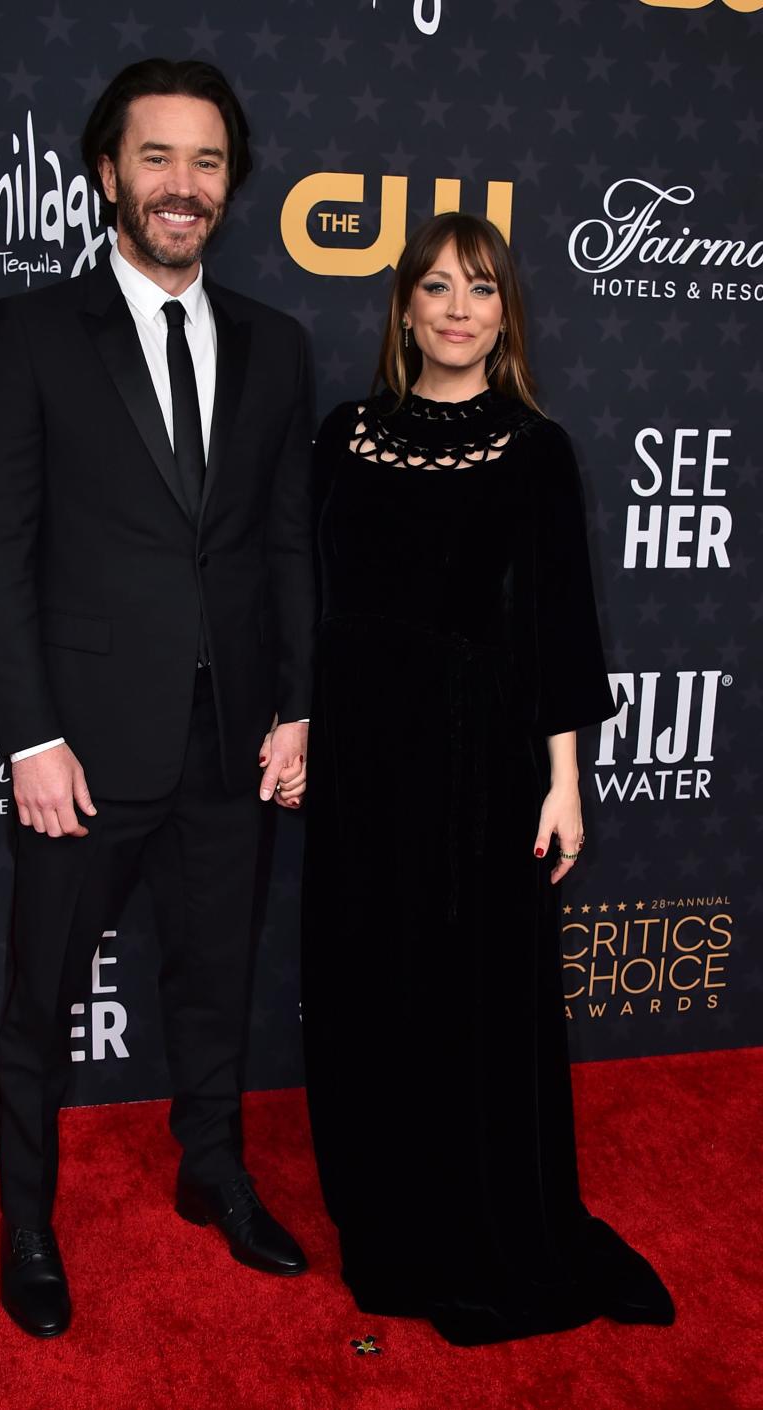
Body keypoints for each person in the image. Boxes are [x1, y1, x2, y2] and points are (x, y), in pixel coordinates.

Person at [0, 58, 314, 1339]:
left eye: (208, 161)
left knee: (216, 981)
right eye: (156, 158)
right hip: (85, 749)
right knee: (40, 995)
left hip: (234, 744)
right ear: (106, 173)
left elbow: (284, 545)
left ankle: (212, 1176)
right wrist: (32, 735)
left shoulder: (276, 345)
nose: (183, 185)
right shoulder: (35, 334)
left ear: (232, 183)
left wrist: (297, 705)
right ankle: (28, 1225)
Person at [301, 212, 674, 1346]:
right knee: (373, 980)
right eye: (437, 287)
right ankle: (392, 1222)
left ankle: (489, 1221)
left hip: (480, 759)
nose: (459, 308)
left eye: (482, 289)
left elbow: (561, 631)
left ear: (504, 313)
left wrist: (565, 784)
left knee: (472, 990)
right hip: (364, 757)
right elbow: (305, 602)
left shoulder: (535, 447)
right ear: (404, 306)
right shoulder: (341, 435)